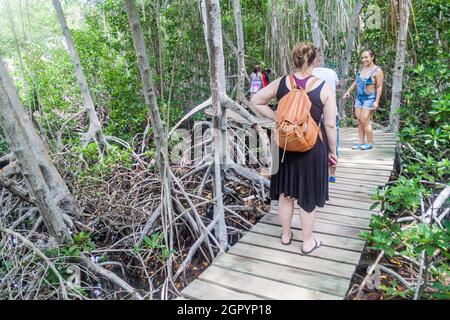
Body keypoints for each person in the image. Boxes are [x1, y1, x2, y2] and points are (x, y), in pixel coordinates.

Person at [250, 43, 337, 255]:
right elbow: (330, 124)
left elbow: (256, 101)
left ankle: (286, 235)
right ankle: (307, 242)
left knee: (286, 193)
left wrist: (279, 119)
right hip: (312, 146)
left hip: (286, 145)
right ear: (315, 60)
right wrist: (332, 152)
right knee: (307, 195)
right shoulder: (323, 86)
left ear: (295, 60)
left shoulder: (282, 82)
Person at [343, 49, 384, 150]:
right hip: (359, 97)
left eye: (366, 57)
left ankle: (369, 143)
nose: (364, 59)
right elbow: (356, 82)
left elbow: (379, 87)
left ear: (372, 57)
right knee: (360, 120)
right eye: (362, 58)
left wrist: (376, 101)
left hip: (369, 98)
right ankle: (361, 143)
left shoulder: (377, 70)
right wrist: (348, 91)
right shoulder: (362, 69)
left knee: (365, 119)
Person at [312, 55, 341, 183]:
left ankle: (316, 172)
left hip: (313, 115)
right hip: (331, 112)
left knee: (313, 144)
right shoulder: (331, 72)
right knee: (333, 144)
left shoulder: (307, 74)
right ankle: (332, 175)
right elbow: (338, 86)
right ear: (318, 60)